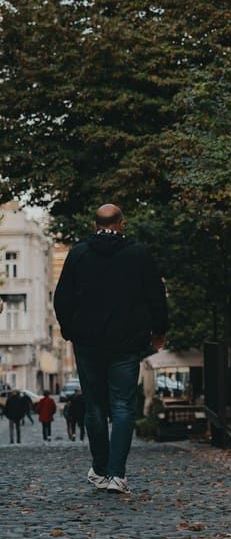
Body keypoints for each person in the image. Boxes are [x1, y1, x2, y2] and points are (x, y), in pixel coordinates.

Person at [54, 204, 168, 493]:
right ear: (122, 224)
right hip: (126, 342)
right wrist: (159, 331)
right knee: (122, 406)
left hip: (88, 342)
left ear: (95, 225)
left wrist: (70, 330)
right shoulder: (138, 254)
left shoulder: (79, 253)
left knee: (94, 405)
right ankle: (117, 474)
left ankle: (101, 469)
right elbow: (155, 294)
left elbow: (62, 298)